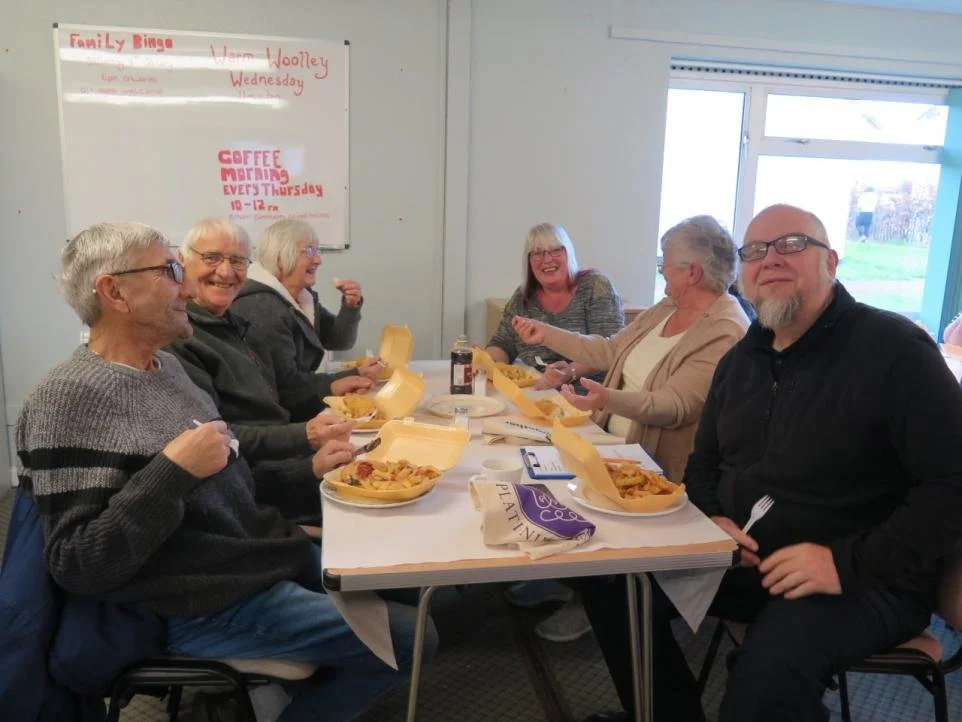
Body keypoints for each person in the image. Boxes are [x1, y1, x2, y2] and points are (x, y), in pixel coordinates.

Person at [16, 222, 436, 722]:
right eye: (172, 270)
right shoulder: (70, 398)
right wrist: (172, 470)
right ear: (114, 292)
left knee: (401, 576)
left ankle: (277, 692)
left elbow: (225, 472)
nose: (190, 286)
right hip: (193, 600)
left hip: (245, 555)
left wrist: (303, 478)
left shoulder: (164, 370)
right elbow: (78, 563)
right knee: (415, 637)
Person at [580, 204, 962, 722]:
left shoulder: (894, 350)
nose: (772, 259)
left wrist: (844, 563)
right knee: (613, 583)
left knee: (767, 674)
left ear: (832, 261)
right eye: (756, 251)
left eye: (792, 244)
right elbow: (705, 462)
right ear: (745, 271)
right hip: (746, 558)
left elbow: (950, 484)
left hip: (864, 577)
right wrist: (713, 519)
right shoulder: (743, 359)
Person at [509, 216, 749, 643]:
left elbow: (674, 407)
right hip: (610, 441)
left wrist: (605, 399)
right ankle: (568, 576)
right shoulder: (667, 309)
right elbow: (607, 349)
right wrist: (543, 331)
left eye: (666, 262)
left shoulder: (725, 328)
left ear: (692, 272)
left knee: (549, 476)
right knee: (528, 466)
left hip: (653, 465)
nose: (661, 269)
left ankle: (590, 590)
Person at [166, 218, 367, 525]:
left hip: (284, 465)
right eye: (211, 258)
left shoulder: (232, 320)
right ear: (182, 262)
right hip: (266, 486)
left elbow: (277, 398)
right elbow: (219, 442)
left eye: (237, 261)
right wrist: (305, 440)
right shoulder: (185, 338)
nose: (225, 271)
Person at [232, 219, 376, 421]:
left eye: (317, 251)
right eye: (308, 251)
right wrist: (352, 375)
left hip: (301, 406)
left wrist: (350, 309)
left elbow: (338, 340)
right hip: (280, 423)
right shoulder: (262, 308)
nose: (318, 260)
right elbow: (287, 388)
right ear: (281, 258)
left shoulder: (302, 297)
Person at [486, 223, 624, 388]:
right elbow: (503, 343)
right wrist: (486, 361)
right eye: (538, 253)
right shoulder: (522, 298)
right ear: (529, 261)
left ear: (568, 253)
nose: (547, 259)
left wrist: (568, 373)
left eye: (555, 250)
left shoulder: (595, 286)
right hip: (537, 391)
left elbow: (610, 350)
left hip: (589, 394)